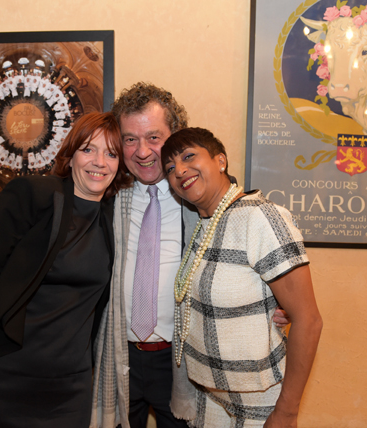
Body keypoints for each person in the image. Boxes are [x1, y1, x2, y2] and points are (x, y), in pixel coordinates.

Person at [90, 83, 291, 428]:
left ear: (175, 138)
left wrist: (271, 301)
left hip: (184, 363)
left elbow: (241, 260)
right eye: (130, 139)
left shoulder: (205, 202)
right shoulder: (103, 197)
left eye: (154, 138)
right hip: (115, 355)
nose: (142, 152)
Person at [0, 112, 132, 428]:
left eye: (111, 154)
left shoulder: (114, 218)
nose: (99, 161)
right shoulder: (32, 195)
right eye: (88, 149)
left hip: (69, 390)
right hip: (3, 376)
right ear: (70, 157)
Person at [161, 127, 323, 428]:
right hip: (209, 396)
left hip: (260, 401)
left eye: (188, 156)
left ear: (220, 161)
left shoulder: (260, 217)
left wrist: (286, 412)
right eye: (170, 168)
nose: (180, 170)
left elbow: (309, 320)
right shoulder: (203, 223)